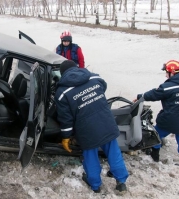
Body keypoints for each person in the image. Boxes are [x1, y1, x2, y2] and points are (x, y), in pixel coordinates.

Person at [55, 60, 129, 193]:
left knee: (90, 156)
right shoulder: (94, 77)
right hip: (105, 121)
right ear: (76, 68)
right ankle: (121, 182)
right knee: (114, 152)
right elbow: (103, 86)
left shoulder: (62, 92)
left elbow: (66, 119)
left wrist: (65, 137)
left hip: (86, 129)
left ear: (62, 74)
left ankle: (95, 185)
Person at [134, 60, 179, 170]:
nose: (166, 75)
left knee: (155, 135)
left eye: (166, 72)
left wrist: (139, 97)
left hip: (169, 120)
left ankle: (155, 155)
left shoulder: (168, 86)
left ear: (172, 72)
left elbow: (154, 94)